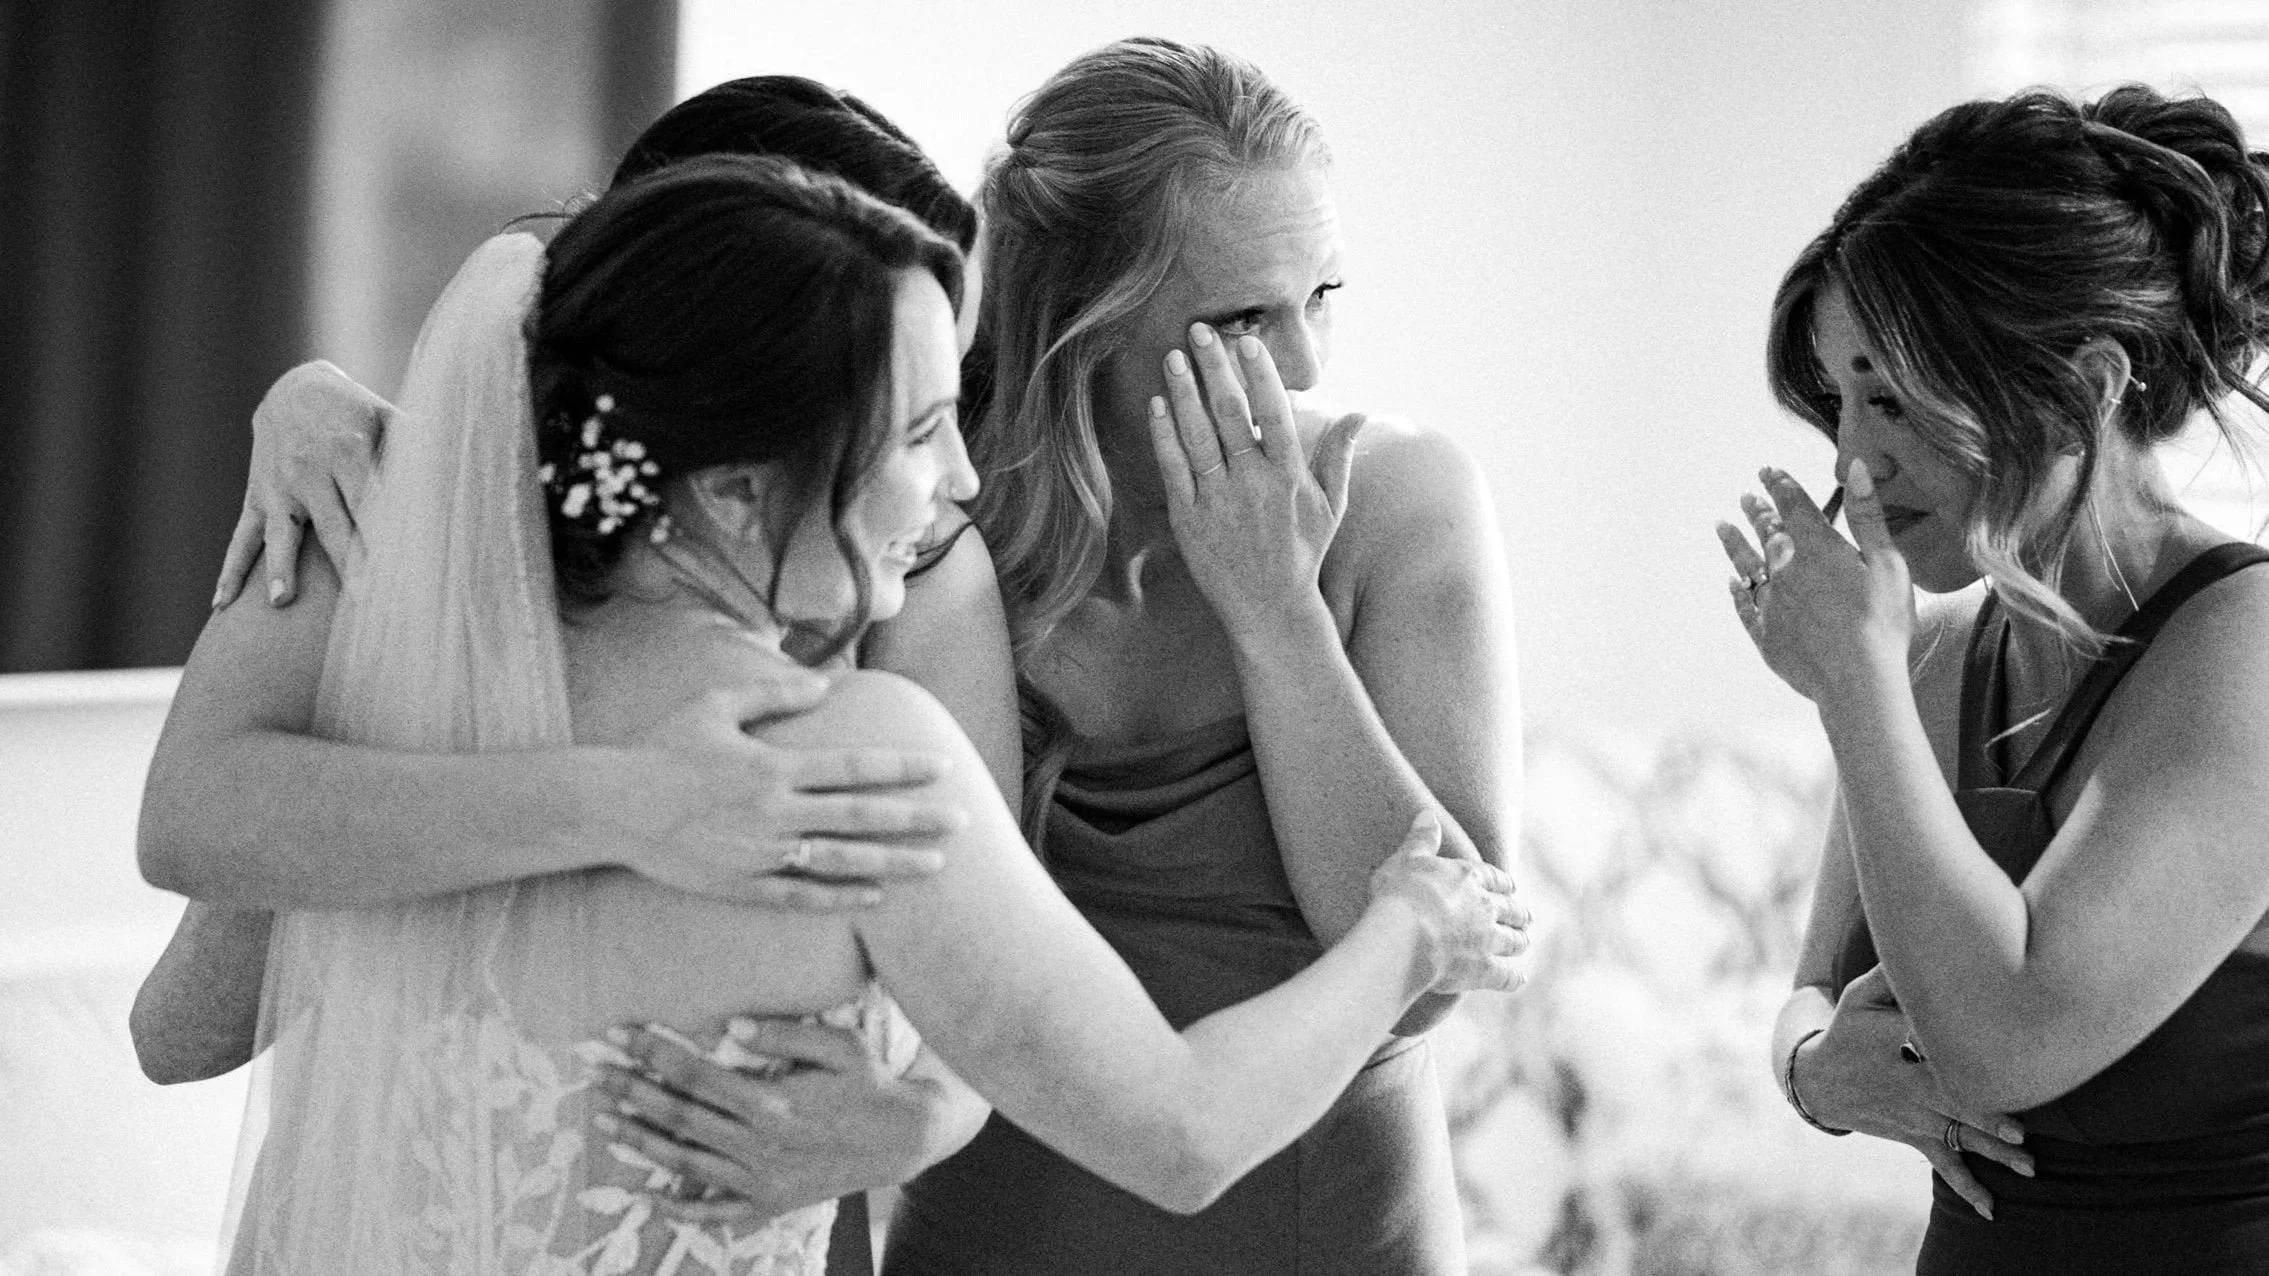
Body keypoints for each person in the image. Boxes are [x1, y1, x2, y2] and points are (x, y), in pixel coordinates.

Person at [208, 38, 1521, 1273]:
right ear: (1081, 319)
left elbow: (1425, 968)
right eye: (1241, 319)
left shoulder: (1382, 502)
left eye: (1324, 298)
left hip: (1298, 1210)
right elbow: (673, 274)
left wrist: (1275, 608)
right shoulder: (892, 551)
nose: (1295, 368)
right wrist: (328, 401)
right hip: (985, 1224)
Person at [134, 79, 1018, 1271]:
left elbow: (992, 972)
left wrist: (933, 1114)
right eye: (902, 406)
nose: (951, 475)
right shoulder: (387, 508)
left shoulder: (927, 584)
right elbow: (184, 1020)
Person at [1720, 85, 2269, 1274]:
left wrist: (1851, 684)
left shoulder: (2248, 646)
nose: (1855, 456)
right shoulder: (1930, 648)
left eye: (1897, 395)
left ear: (2092, 382)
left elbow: (2004, 1038)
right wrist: (1811, 1074)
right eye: (1840, 399)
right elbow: (1813, 994)